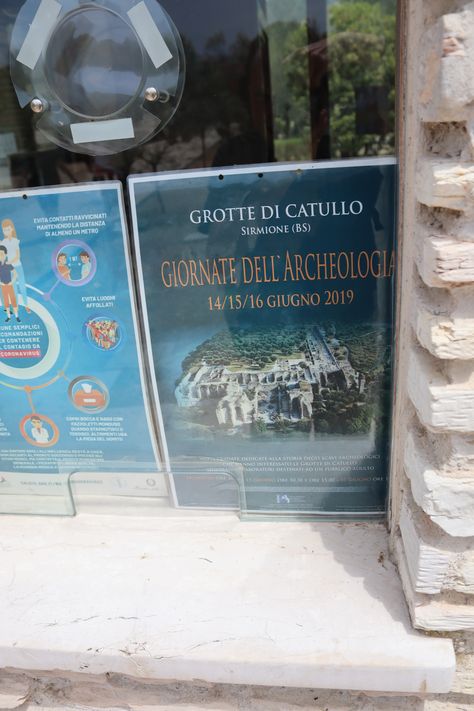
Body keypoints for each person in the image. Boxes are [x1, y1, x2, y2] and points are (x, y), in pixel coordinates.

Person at [0, 219, 30, 313]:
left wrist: (9, 262)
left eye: (8, 229)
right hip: (9, 269)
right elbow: (2, 255)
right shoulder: (3, 242)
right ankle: (15, 307)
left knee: (22, 286)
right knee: (14, 289)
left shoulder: (15, 241)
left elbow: (18, 256)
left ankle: (26, 305)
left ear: (12, 229)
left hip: (18, 266)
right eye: (4, 230)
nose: (6, 231)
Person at [0, 245, 20, 322]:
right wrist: (0, 283)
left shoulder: (8, 264)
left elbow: (15, 273)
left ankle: (17, 316)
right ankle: (8, 317)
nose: (0, 256)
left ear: (5, 255)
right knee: (6, 301)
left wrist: (12, 281)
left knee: (13, 300)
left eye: (2, 254)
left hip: (9, 285)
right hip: (3, 286)